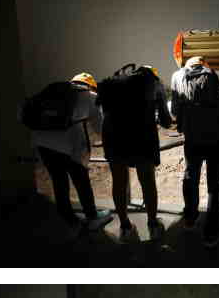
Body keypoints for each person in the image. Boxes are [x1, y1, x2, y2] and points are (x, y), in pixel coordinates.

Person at [26, 72, 112, 235]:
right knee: (81, 181)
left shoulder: (53, 93)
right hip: (68, 146)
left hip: (41, 142)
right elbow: (100, 128)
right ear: (91, 86)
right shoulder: (90, 96)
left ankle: (69, 221)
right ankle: (92, 218)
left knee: (59, 181)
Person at [100, 65, 172, 244]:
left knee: (119, 182)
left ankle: (125, 227)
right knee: (147, 181)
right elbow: (166, 121)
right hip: (142, 137)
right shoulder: (154, 83)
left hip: (113, 137)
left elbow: (104, 112)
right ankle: (153, 225)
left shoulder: (115, 83)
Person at [171, 56, 219, 248]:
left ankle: (189, 218)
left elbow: (175, 110)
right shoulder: (211, 75)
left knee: (191, 175)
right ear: (203, 65)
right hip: (216, 138)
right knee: (215, 183)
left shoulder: (177, 76)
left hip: (192, 137)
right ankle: (211, 232)